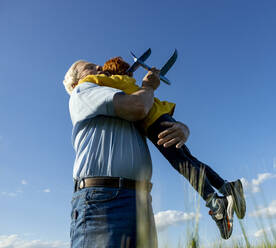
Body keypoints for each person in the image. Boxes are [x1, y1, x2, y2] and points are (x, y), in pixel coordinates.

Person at [76, 56, 247, 239]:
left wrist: (95, 77)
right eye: (92, 67)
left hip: (155, 124)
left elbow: (131, 100)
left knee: (182, 163)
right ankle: (228, 187)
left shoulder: (108, 82)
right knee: (191, 160)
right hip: (163, 118)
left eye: (101, 68)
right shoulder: (124, 82)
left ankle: (215, 202)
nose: (99, 68)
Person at [63, 60, 189, 247]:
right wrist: (148, 87)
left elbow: (153, 116)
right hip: (103, 199)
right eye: (90, 67)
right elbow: (138, 106)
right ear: (75, 83)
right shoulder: (83, 90)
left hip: (140, 198)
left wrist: (183, 129)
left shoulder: (118, 93)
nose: (99, 68)